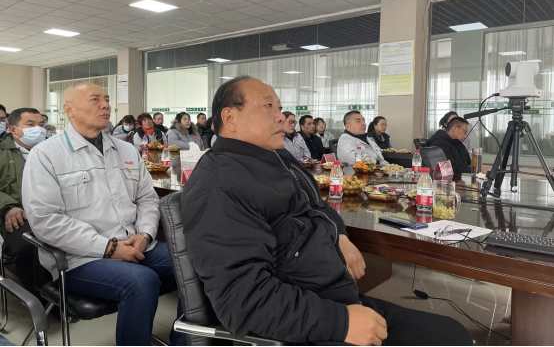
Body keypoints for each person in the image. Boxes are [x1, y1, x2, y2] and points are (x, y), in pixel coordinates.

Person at [181, 76, 472, 346]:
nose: (281, 116)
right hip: (306, 321)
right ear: (230, 117)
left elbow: (316, 204)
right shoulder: (220, 186)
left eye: (279, 108)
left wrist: (340, 235)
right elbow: (244, 302)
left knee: (452, 334)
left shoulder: (276, 158)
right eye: (268, 106)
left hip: (333, 297)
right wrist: (341, 323)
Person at [22, 83, 179, 346]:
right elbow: (46, 220)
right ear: (69, 110)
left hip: (136, 243)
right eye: (94, 99)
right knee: (142, 281)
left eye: (106, 99)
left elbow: (147, 199)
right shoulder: (46, 155)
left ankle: (186, 341)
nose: (105, 104)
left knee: (195, 261)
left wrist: (145, 235)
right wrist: (109, 248)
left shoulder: (126, 150)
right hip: (79, 258)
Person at [0, 108, 48, 297]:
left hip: (51, 211)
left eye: (41, 124)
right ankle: (44, 299)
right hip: (15, 214)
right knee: (31, 247)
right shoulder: (3, 153)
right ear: (13, 129)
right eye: (30, 125)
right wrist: (9, 207)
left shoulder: (53, 151)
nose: (39, 129)